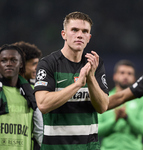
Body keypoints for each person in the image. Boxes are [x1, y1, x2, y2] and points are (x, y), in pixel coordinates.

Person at [34, 11, 109, 150]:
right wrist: (78, 84)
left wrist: (91, 78)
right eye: (74, 30)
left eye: (85, 31)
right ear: (64, 34)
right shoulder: (48, 64)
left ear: (89, 37)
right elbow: (43, 104)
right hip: (56, 147)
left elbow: (103, 107)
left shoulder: (94, 64)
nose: (79, 35)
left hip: (88, 147)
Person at [0, 44, 42, 150]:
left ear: (21, 64)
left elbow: (39, 131)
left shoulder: (33, 93)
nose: (9, 64)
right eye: (4, 60)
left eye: (13, 60)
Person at [98, 60, 143, 150]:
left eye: (129, 74)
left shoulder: (142, 100)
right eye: (122, 73)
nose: (125, 76)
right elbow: (96, 130)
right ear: (115, 76)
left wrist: (127, 117)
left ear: (134, 78)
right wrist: (114, 120)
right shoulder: (105, 99)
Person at [13, 41, 43, 150]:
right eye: (34, 64)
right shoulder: (2, 89)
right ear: (21, 64)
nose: (37, 67)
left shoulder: (36, 89)